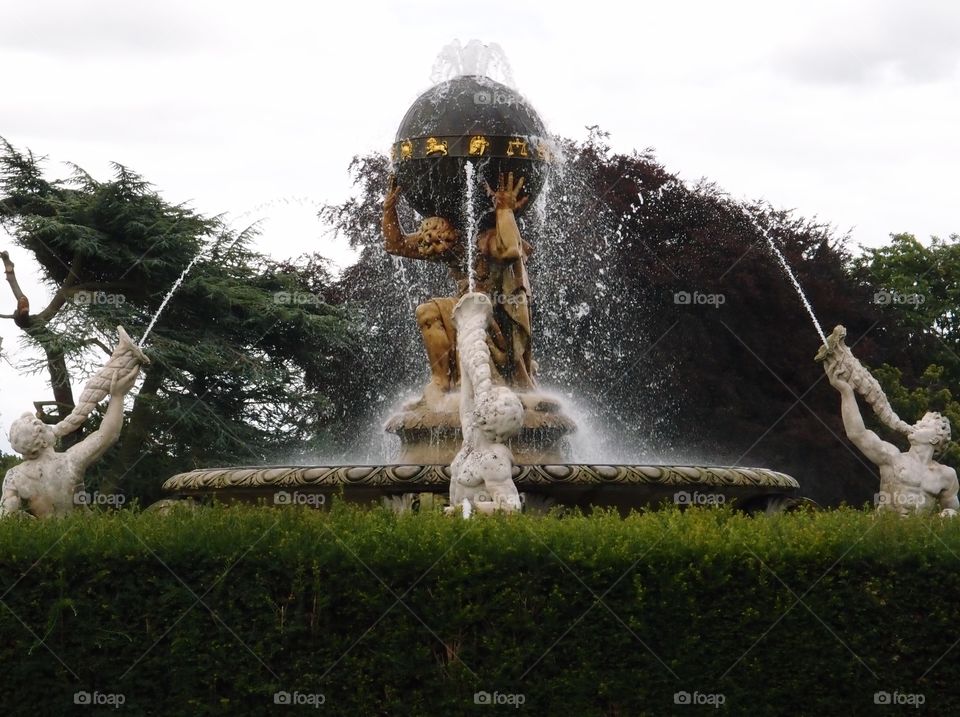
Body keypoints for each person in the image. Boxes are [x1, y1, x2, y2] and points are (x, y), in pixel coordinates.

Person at [382, 172, 535, 402]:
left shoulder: (483, 241)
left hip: (495, 313)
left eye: (440, 240)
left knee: (464, 314)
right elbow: (396, 245)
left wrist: (504, 209)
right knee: (427, 311)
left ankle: (468, 382)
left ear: (449, 231)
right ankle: (440, 382)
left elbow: (512, 250)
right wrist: (388, 209)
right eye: (432, 244)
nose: (436, 246)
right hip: (464, 308)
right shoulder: (441, 245)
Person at [1, 365, 140, 518]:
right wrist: (118, 396)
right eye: (46, 427)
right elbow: (107, 435)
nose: (51, 427)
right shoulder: (68, 461)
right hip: (78, 536)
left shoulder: (13, 475)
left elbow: (5, 516)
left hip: (42, 539)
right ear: (43, 443)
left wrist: (26, 519)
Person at [824, 360, 958, 516]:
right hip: (885, 532)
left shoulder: (946, 475)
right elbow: (857, 434)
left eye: (924, 424)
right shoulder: (892, 457)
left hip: (919, 537)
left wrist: (950, 514)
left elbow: (954, 511)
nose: (916, 424)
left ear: (935, 439)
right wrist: (846, 391)